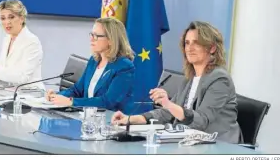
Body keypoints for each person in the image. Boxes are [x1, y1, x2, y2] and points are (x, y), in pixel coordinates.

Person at [111, 21, 243, 144]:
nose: (190, 48)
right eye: (187, 43)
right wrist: (130, 119)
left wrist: (168, 104)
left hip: (217, 145)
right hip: (188, 142)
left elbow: (201, 121)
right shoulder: (189, 78)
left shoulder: (219, 79)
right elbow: (166, 113)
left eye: (196, 42)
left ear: (212, 48)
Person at [46, 17, 135, 111]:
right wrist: (56, 96)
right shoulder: (94, 60)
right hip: (88, 118)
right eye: (91, 34)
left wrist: (71, 102)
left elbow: (108, 102)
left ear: (111, 40)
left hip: (112, 121)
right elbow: (77, 90)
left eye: (96, 36)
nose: (91, 39)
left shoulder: (124, 66)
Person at [0, 0, 44, 90]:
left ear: (22, 18)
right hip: (9, 92)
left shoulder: (32, 42)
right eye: (3, 18)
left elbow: (22, 77)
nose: (7, 22)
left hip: (31, 94)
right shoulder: (7, 39)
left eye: (11, 17)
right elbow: (4, 70)